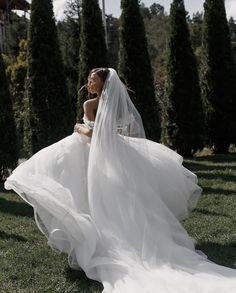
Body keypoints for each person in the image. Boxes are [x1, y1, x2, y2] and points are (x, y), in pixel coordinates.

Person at [5, 68, 236, 292]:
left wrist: (78, 128)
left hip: (94, 154)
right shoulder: (114, 104)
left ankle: (105, 241)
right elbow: (119, 132)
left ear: (104, 83)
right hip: (111, 155)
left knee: (93, 196)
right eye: (89, 78)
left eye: (93, 79)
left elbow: (97, 134)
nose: (89, 82)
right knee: (115, 200)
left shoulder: (90, 105)